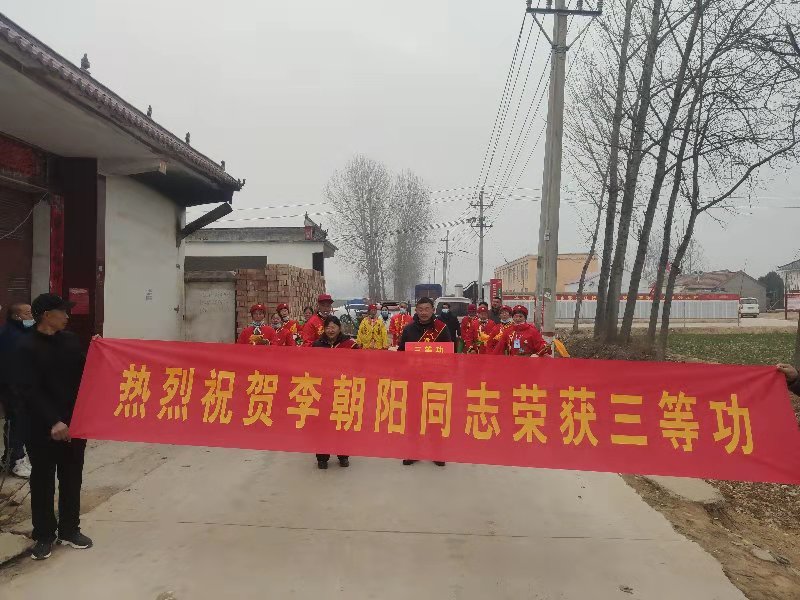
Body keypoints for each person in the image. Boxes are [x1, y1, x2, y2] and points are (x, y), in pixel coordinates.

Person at [15, 294, 93, 560]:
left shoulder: (70, 341)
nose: (67, 316)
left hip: (74, 425)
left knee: (72, 478)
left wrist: (99, 350)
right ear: (47, 315)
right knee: (43, 481)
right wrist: (52, 421)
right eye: (63, 312)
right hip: (40, 426)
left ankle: (70, 530)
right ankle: (44, 535)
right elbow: (28, 389)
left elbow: (86, 372)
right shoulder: (25, 346)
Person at [398, 297, 451, 467]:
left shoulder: (442, 329)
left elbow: (449, 355)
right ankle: (413, 452)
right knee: (413, 418)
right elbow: (401, 354)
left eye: (427, 309)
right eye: (420, 309)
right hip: (414, 381)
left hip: (435, 381)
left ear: (433, 310)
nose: (423, 312)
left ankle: (437, 452)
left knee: (435, 417)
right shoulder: (408, 330)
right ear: (416, 311)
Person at [312, 316, 357, 468]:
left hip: (343, 389)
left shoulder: (350, 345)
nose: (330, 330)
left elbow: (360, 364)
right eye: (328, 327)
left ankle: (343, 455)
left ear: (339, 328)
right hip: (323, 391)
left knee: (342, 423)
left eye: (333, 327)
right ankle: (322, 457)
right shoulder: (317, 345)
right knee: (322, 424)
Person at [0, 303, 34, 478]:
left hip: (23, 387)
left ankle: (10, 459)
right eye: (28, 314)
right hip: (13, 388)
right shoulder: (9, 336)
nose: (31, 317)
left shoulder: (25, 332)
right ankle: (16, 462)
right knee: (16, 423)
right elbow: (9, 367)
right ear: (16, 317)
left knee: (21, 423)